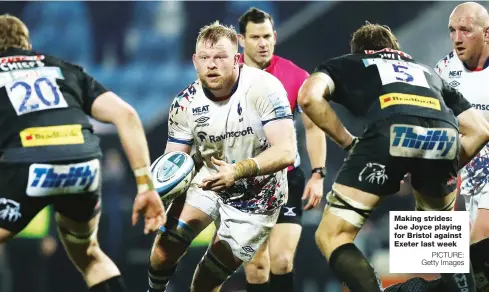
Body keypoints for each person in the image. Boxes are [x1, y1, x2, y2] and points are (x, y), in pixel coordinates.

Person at [298, 22, 489, 292]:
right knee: (440, 245)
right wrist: (446, 163)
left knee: (332, 234)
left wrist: (349, 143)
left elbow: (307, 98)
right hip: (444, 135)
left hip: (389, 130)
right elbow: (481, 131)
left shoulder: (350, 62)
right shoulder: (425, 71)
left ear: (360, 51)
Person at [0, 14, 166, 292]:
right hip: (83, 166)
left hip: (29, 166)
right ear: (27, 44)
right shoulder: (62, 68)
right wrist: (145, 187)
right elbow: (126, 114)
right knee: (89, 254)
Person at [146, 21, 297, 292]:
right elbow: (175, 163)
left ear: (237, 59)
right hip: (210, 180)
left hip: (259, 197)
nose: (211, 64)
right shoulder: (184, 103)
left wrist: (238, 170)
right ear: (195, 61)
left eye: (219, 57)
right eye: (204, 58)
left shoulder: (265, 88)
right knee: (163, 251)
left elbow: (286, 151)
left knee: (204, 283)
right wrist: (158, 197)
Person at [236, 7, 326, 292]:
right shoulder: (225, 74)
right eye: (255, 37)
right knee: (256, 266)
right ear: (241, 40)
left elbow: (314, 127)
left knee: (283, 261)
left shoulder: (296, 76)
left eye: (267, 36)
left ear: (275, 37)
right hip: (243, 182)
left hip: (286, 179)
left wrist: (318, 174)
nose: (262, 43)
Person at [435, 2, 489, 291]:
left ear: (487, 33)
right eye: (452, 30)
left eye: (465, 30)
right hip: (466, 177)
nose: (457, 38)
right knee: (457, 260)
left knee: (479, 241)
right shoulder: (443, 70)